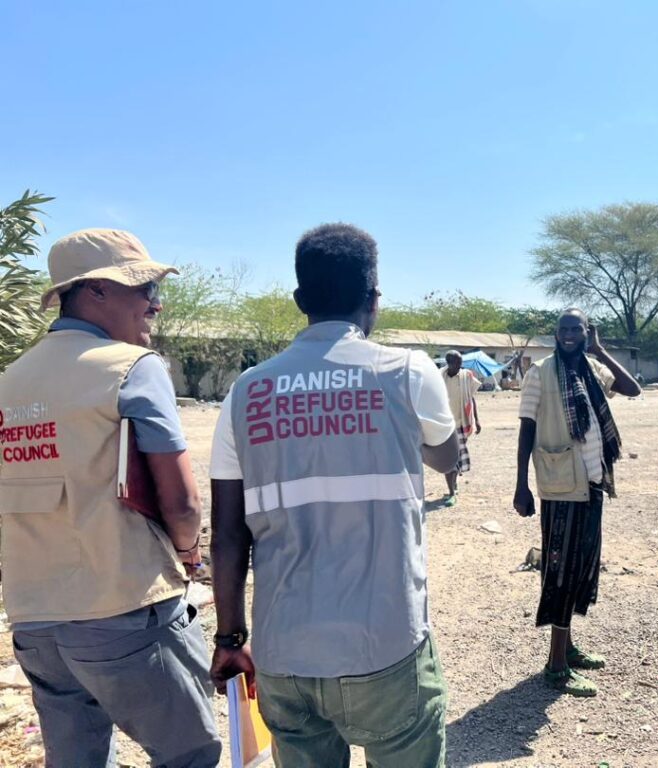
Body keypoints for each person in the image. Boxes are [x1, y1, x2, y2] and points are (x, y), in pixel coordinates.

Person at [208, 223, 458, 767]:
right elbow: (446, 457)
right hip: (386, 650)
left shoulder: (247, 391)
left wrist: (230, 638)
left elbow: (227, 533)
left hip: (284, 658)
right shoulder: (407, 371)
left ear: (300, 300)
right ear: (374, 301)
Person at [0, 229, 221, 767]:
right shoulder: (129, 367)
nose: (156, 303)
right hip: (124, 610)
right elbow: (183, 503)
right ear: (94, 291)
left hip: (35, 623)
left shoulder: (9, 381)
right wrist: (190, 555)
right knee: (189, 753)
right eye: (143, 287)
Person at [513, 309, 641, 697]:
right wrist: (521, 486)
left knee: (582, 568)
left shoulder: (592, 368)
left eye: (577, 329)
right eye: (563, 329)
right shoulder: (540, 372)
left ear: (587, 333)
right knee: (562, 572)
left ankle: (565, 649)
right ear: (556, 334)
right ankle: (556, 666)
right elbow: (526, 428)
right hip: (559, 485)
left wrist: (601, 352)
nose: (569, 335)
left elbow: (632, 389)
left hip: (592, 483)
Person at [441, 349, 481, 506]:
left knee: (456, 457)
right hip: (444, 425)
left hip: (461, 424)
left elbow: (472, 399)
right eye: (457, 363)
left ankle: (454, 485)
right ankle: (451, 492)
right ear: (449, 363)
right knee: (447, 459)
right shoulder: (438, 377)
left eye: (460, 362)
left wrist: (477, 420)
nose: (460, 365)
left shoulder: (466, 376)